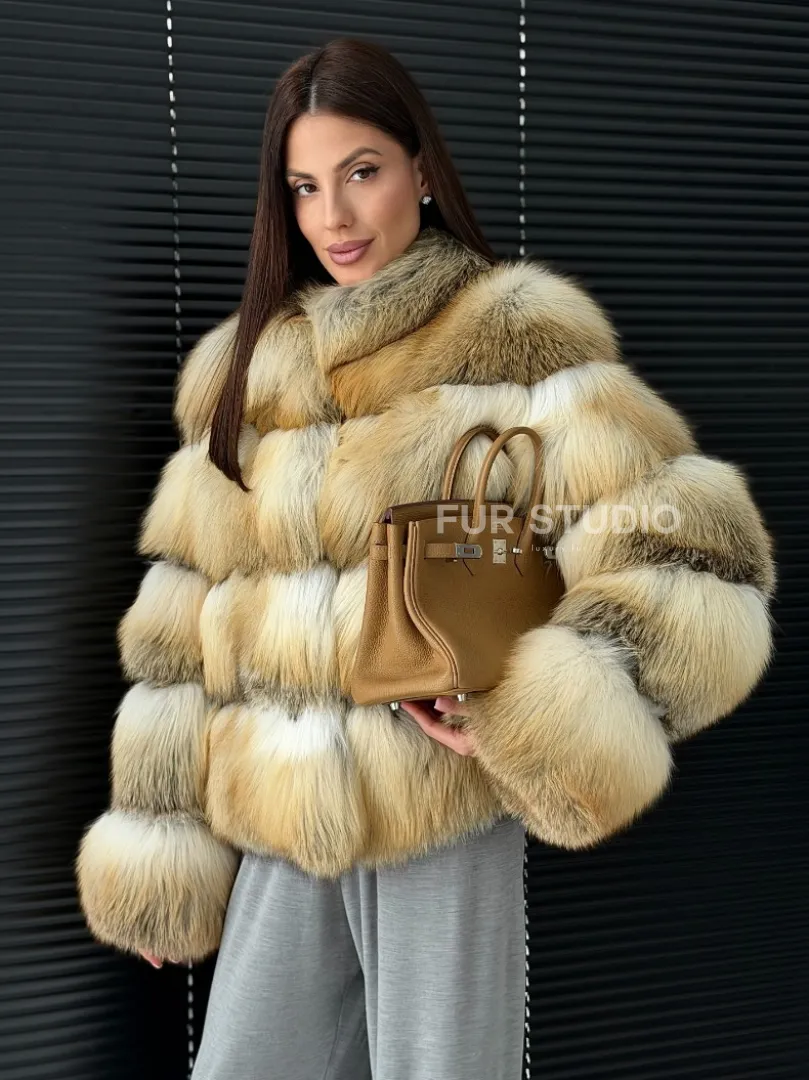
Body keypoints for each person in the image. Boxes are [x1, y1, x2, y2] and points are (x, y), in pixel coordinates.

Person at [74, 36, 776, 1080]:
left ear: (420, 168)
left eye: (361, 171)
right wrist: (160, 847)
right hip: (278, 824)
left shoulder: (512, 336)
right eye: (304, 187)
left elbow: (695, 556)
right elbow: (180, 622)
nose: (335, 216)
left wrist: (537, 716)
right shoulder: (243, 371)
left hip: (439, 819)